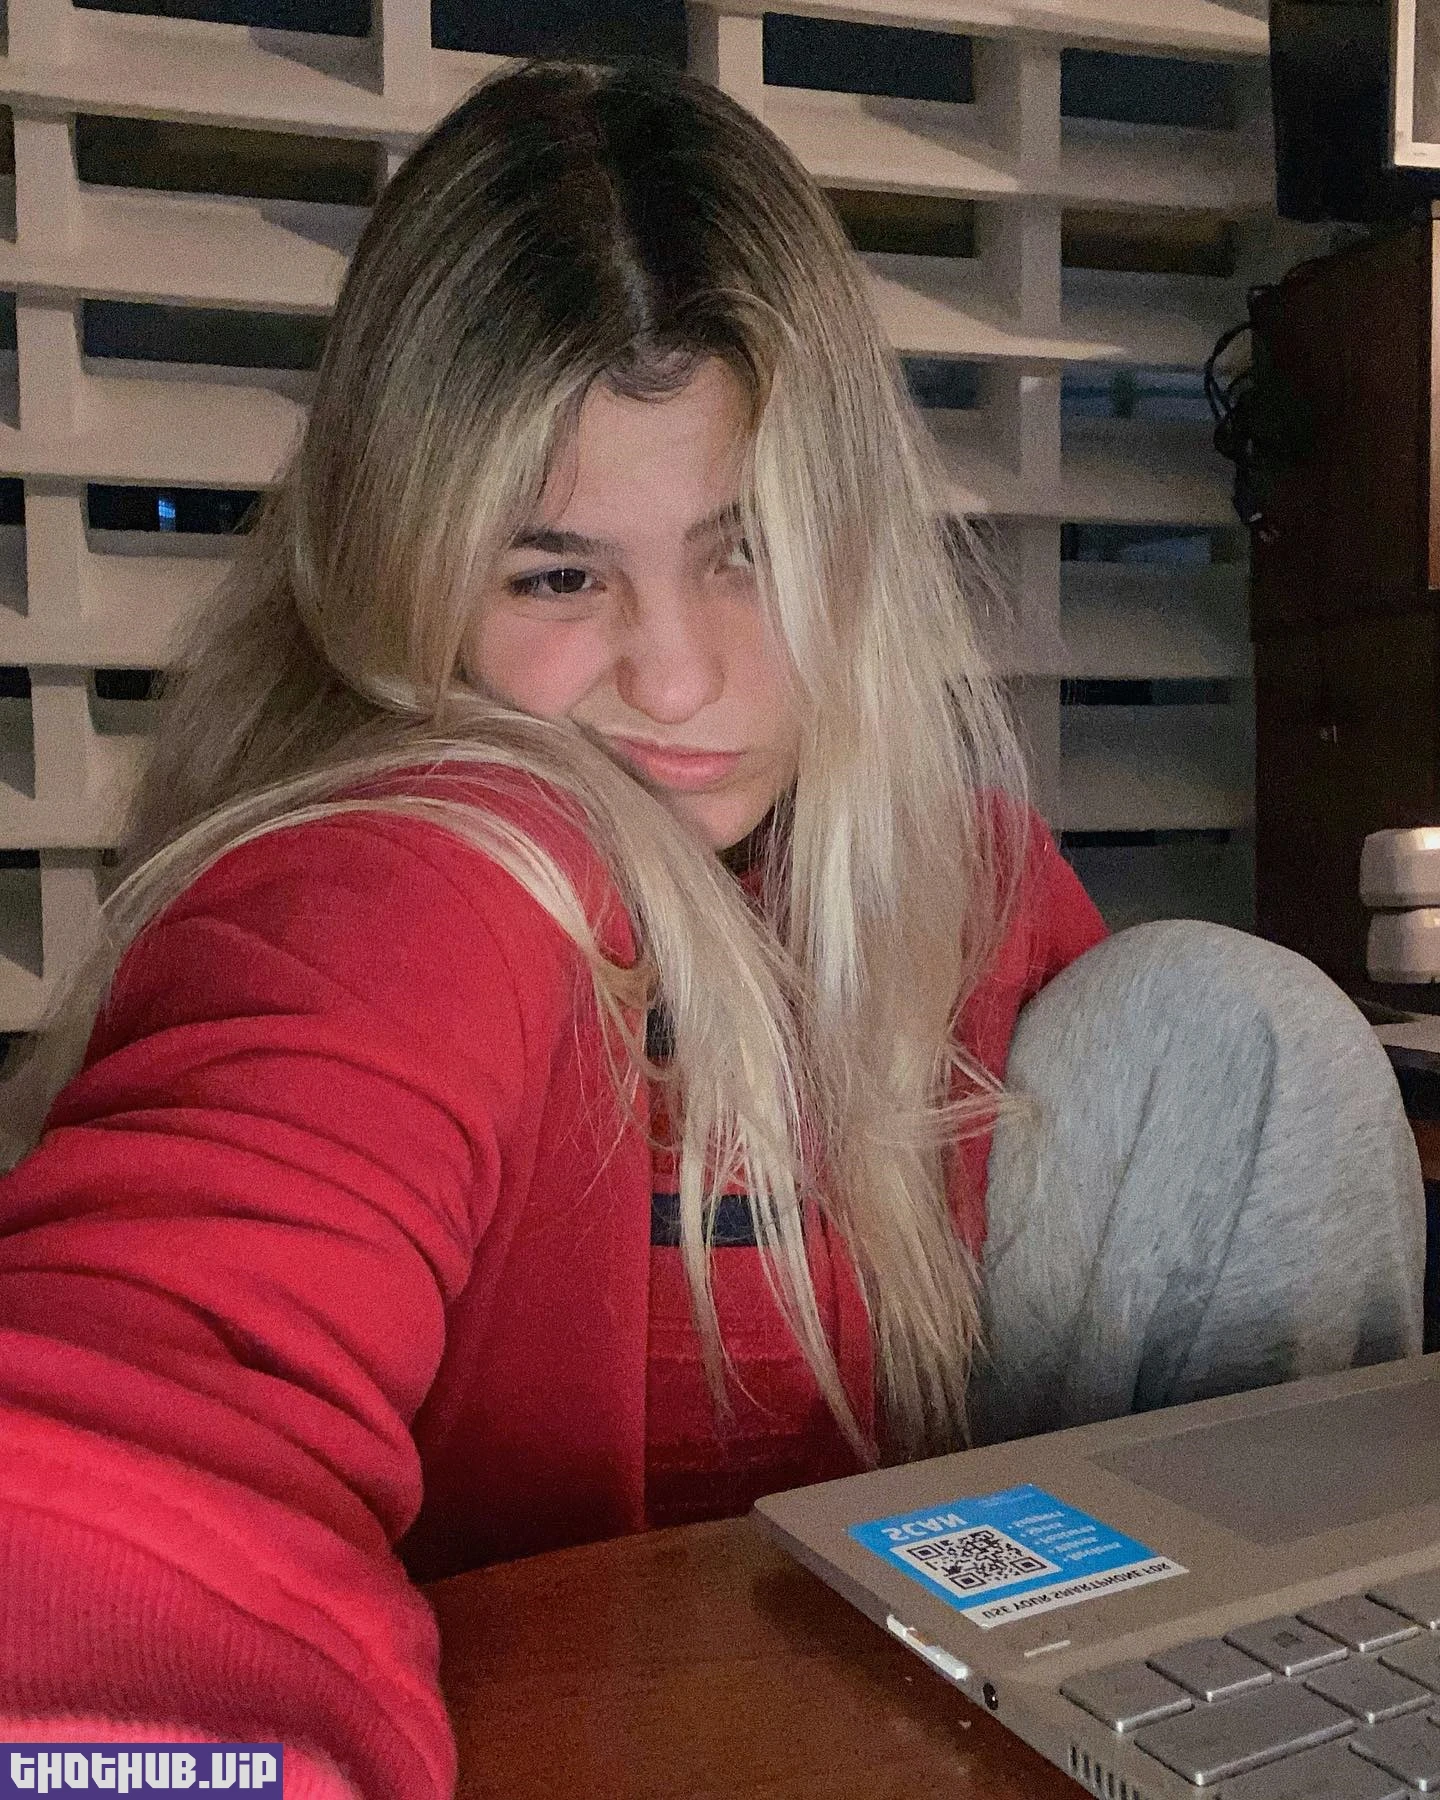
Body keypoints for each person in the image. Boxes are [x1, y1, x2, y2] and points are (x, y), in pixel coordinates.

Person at [0, 56, 1423, 1800]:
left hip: (929, 1714)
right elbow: (122, 1444)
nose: (676, 681)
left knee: (1237, 1029)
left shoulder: (932, 870)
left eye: (747, 550)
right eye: (555, 573)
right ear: (396, 572)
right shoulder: (422, 877)